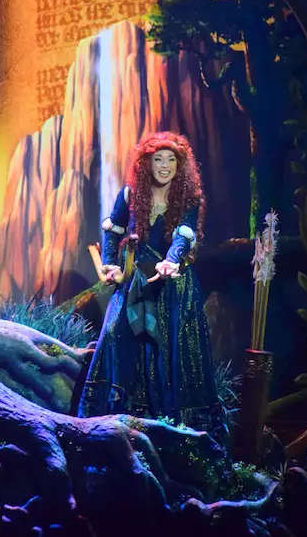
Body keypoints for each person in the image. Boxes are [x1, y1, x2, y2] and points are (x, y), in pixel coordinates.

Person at [77, 132, 219, 429]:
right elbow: (113, 230)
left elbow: (183, 236)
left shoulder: (189, 199)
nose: (164, 166)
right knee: (116, 333)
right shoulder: (130, 194)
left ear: (180, 165)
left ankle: (171, 428)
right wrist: (109, 263)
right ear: (147, 163)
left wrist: (170, 261)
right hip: (135, 281)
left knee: (167, 348)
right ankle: (115, 422)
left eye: (171, 160)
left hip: (173, 286)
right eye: (158, 159)